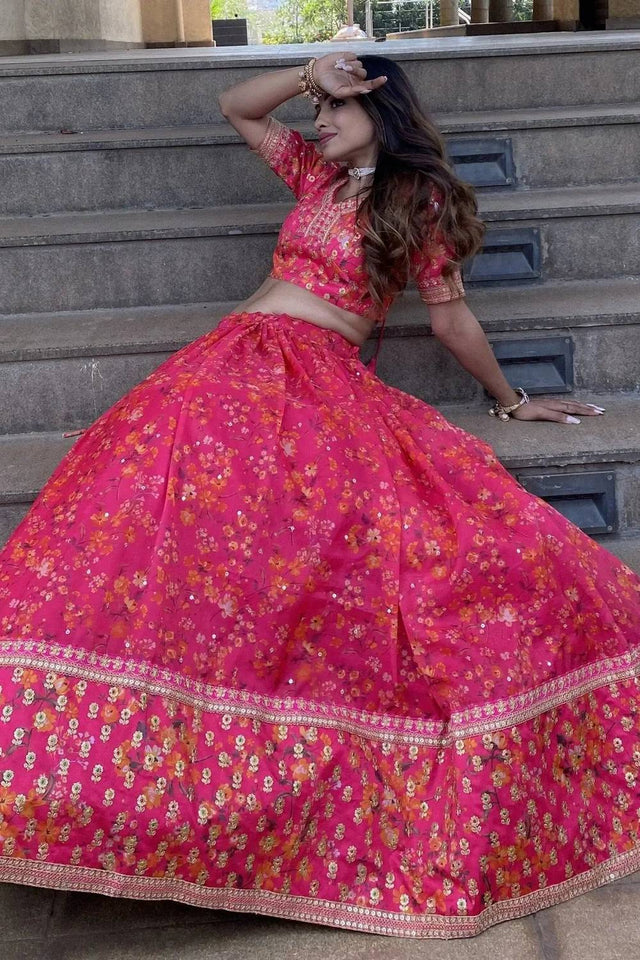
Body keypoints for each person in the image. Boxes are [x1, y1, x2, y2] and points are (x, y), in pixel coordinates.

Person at [0, 52, 638, 940]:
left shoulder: (417, 200)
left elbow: (449, 317)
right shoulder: (316, 174)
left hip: (312, 376)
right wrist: (311, 73)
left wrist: (509, 398)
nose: (323, 122)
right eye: (321, 108)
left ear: (385, 110)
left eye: (339, 108)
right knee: (135, 513)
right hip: (227, 361)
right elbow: (236, 105)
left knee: (370, 539)